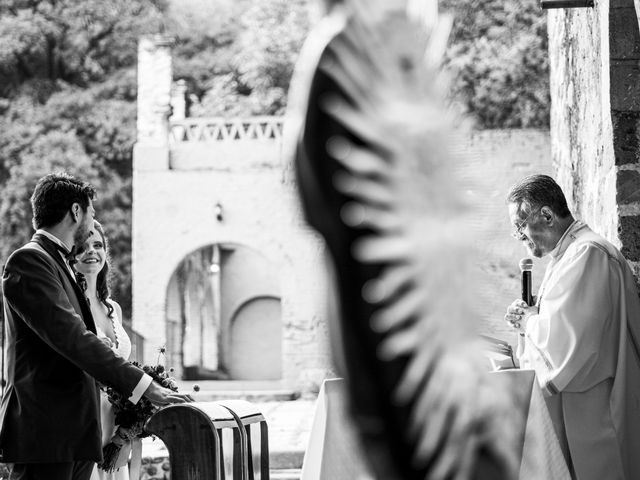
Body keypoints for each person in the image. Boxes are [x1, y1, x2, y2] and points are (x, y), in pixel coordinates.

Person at [0, 173, 191, 480]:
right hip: (46, 435)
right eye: (91, 213)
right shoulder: (29, 261)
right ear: (76, 211)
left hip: (74, 434)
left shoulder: (58, 263)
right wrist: (144, 386)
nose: (92, 221)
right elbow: (74, 339)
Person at [504, 174, 640, 480]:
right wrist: (532, 313)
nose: (520, 236)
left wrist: (529, 321)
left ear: (547, 215)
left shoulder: (588, 253)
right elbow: (564, 318)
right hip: (582, 407)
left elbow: (568, 342)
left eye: (519, 226)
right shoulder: (568, 256)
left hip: (598, 411)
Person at [72, 221, 133, 480]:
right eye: (82, 247)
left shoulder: (113, 308)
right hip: (84, 422)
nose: (91, 252)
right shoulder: (68, 306)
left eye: (97, 245)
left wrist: (135, 411)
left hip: (115, 429)